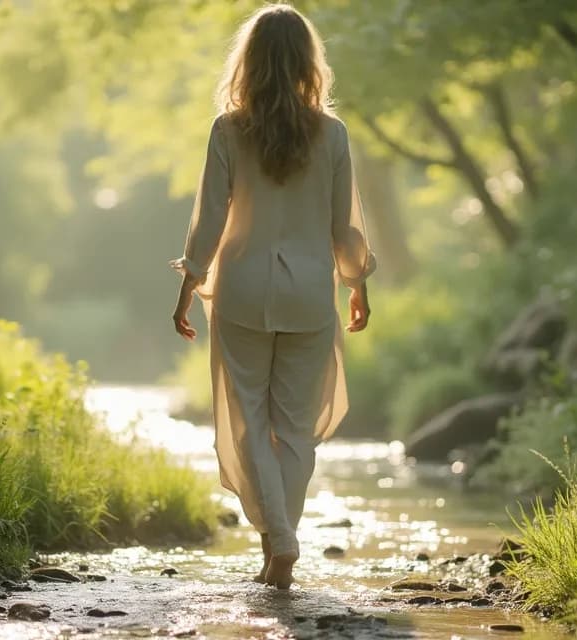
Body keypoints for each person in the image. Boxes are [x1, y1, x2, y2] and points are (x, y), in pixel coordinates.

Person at [169, 3, 376, 591]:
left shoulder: (228, 129)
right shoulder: (332, 133)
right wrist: (357, 284)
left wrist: (187, 288)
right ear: (310, 61)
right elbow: (346, 227)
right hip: (310, 293)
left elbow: (209, 221)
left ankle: (278, 541)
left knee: (250, 424)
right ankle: (278, 545)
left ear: (249, 61)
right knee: (295, 428)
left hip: (241, 292)